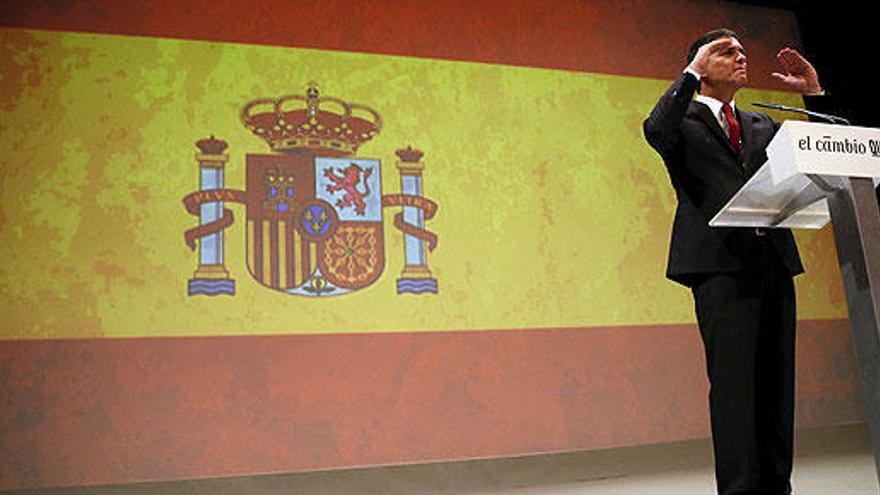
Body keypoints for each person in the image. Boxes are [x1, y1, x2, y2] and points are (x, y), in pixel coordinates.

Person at [643, 29, 826, 495]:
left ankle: (776, 486)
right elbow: (655, 128)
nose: (741, 57)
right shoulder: (679, 119)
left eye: (744, 51)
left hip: (773, 263)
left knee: (776, 385)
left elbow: (821, 152)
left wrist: (813, 97)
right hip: (720, 267)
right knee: (734, 389)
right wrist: (690, 71)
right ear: (701, 63)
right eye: (727, 52)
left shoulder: (761, 124)